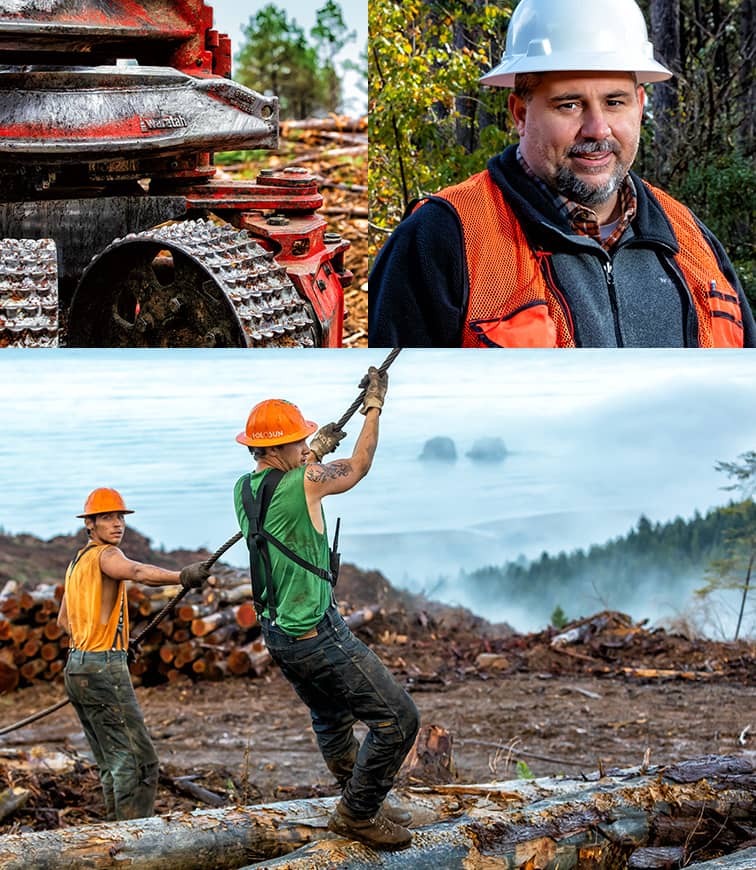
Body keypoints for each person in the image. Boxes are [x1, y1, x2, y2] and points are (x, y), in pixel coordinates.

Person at [369, 0, 756, 348]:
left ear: (639, 106)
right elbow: (395, 409)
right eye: (569, 105)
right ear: (520, 114)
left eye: (615, 102)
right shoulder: (443, 238)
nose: (598, 129)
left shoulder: (690, 240)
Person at [233, 370, 420, 851]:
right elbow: (357, 465)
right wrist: (375, 406)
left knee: (332, 719)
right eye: (297, 441)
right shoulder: (306, 482)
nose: (303, 449)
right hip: (317, 634)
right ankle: (357, 814)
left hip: (278, 635)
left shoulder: (244, 489)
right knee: (399, 720)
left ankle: (361, 800)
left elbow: (289, 476)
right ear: (282, 449)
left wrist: (312, 448)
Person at [57, 487, 210, 820]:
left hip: (78, 667)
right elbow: (138, 572)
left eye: (120, 517)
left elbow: (64, 620)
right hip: (102, 668)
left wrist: (112, 640)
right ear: (91, 525)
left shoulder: (76, 563)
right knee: (140, 762)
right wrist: (181, 576)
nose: (117, 524)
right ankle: (133, 843)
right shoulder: (105, 555)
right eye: (107, 518)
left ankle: (115, 837)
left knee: (113, 762)